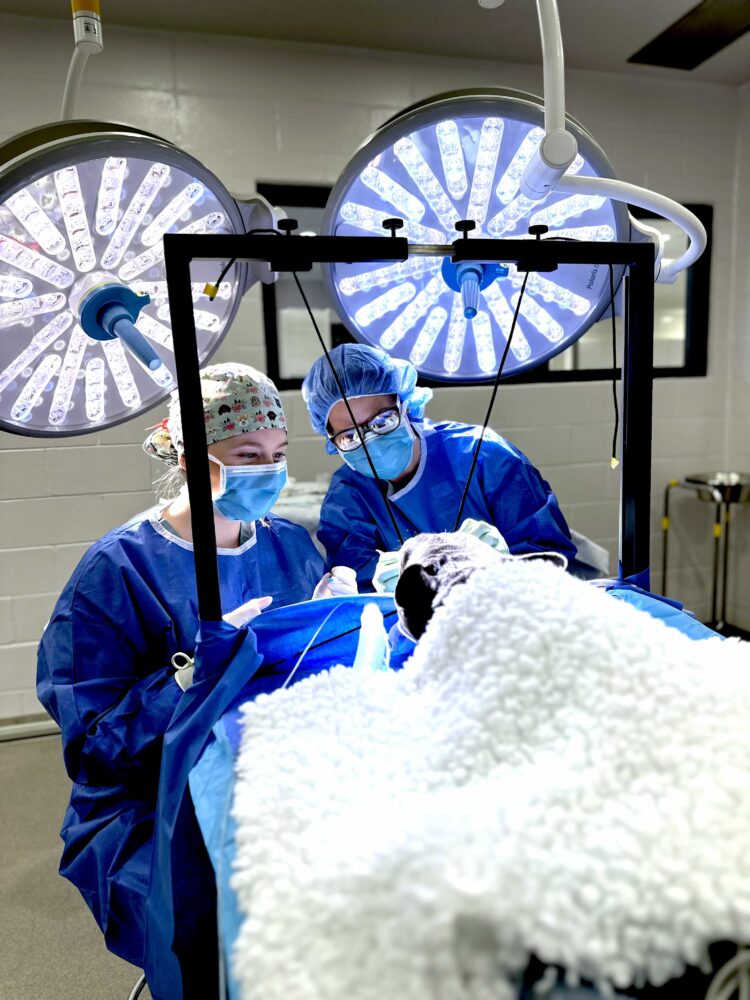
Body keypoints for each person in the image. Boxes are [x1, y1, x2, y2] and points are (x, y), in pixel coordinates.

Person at [36, 363, 337, 975]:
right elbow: (95, 747)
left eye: (278, 452)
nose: (271, 469)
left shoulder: (294, 547)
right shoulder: (118, 570)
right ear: (191, 456)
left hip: (278, 777)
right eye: (249, 453)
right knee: (225, 924)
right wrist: (186, 680)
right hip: (154, 803)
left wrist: (345, 617)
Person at [302, 343, 577, 590]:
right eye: (349, 436)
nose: (371, 440)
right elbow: (354, 589)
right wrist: (384, 589)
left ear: (404, 405)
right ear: (332, 441)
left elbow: (549, 557)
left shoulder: (484, 457)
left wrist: (504, 564)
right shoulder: (348, 496)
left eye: (382, 420)